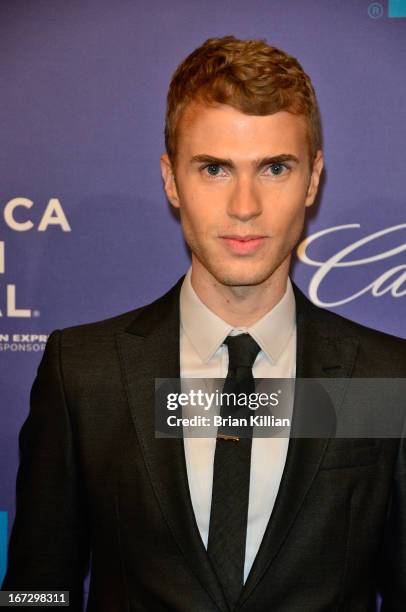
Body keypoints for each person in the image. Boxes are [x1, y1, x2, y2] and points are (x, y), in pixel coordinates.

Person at [2, 35, 405, 611]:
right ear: (171, 180)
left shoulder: (386, 381)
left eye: (274, 168)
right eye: (214, 168)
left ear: (313, 179)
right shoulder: (86, 376)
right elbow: (36, 591)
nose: (245, 205)